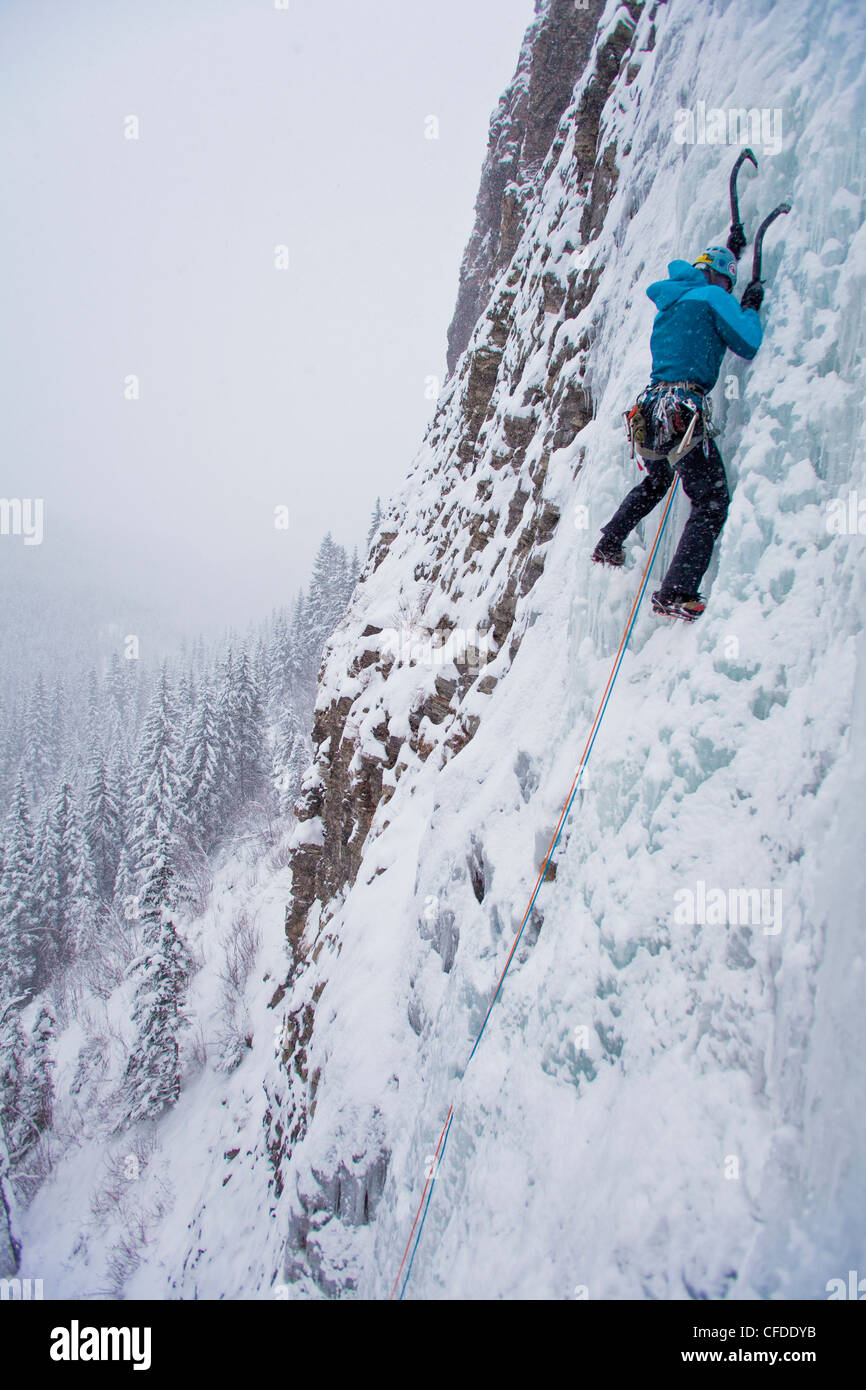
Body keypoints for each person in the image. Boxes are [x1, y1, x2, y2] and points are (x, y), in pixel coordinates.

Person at [592, 242, 765, 620]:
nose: (728, 291)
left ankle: (609, 542)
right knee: (711, 500)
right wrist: (749, 307)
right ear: (718, 278)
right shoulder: (711, 297)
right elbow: (748, 342)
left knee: (658, 481)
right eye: (727, 283)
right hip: (681, 411)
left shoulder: (671, 302)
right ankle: (675, 592)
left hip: (650, 412)